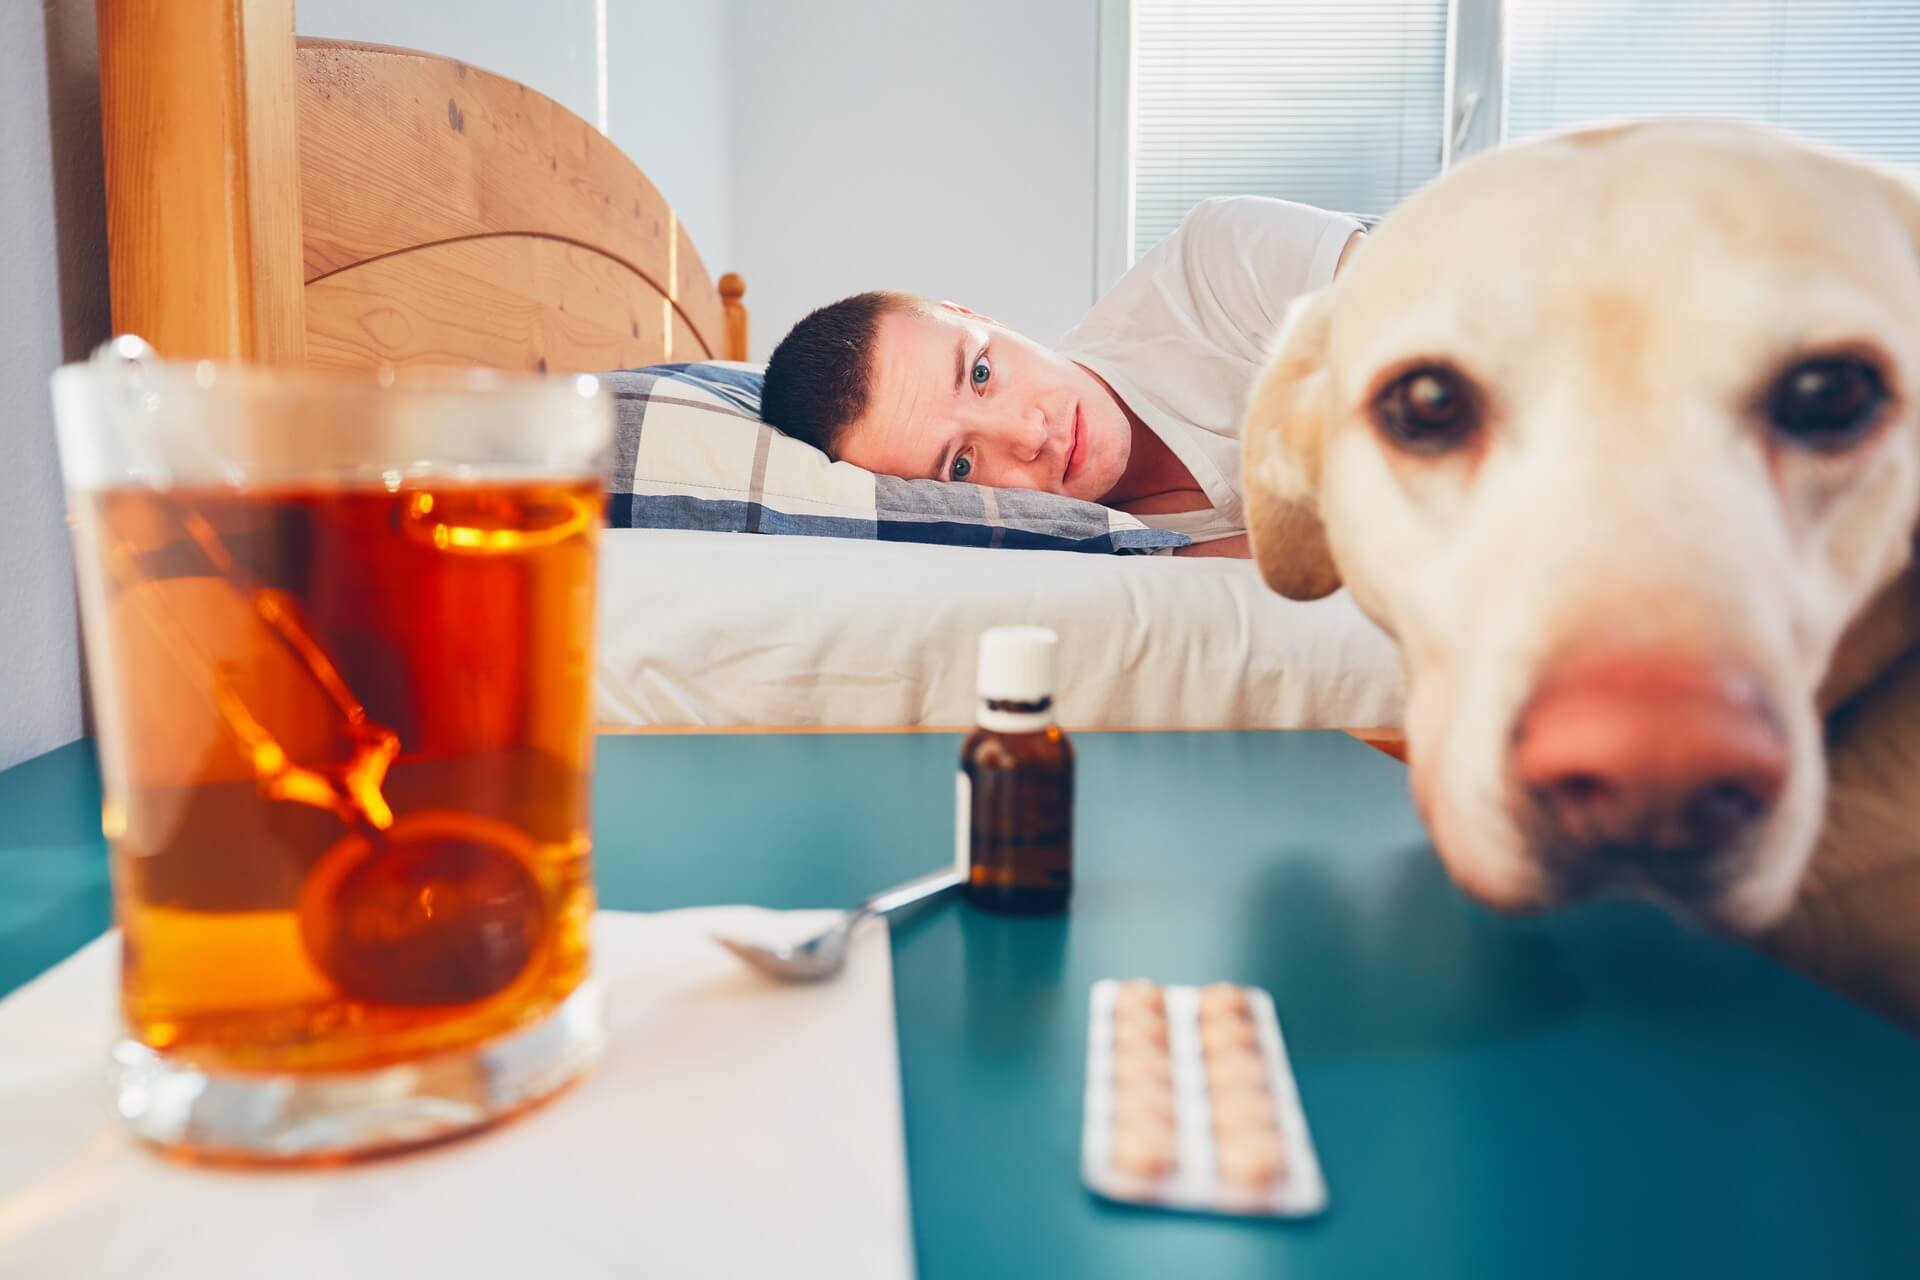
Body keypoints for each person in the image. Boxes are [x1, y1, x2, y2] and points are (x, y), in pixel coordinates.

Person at [759, 195, 1367, 558]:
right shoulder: (1103, 563)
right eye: (961, 466)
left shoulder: (1214, 263)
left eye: (980, 371)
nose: (1027, 435)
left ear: (975, 315)